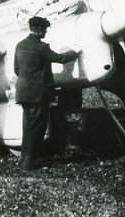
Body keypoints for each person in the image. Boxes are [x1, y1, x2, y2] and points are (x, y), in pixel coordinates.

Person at [13, 16, 80, 170]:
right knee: (37, 129)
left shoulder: (19, 45)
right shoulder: (41, 47)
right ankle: (29, 163)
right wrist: (74, 52)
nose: (46, 32)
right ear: (38, 29)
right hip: (38, 94)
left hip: (23, 92)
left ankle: (25, 160)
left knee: (27, 127)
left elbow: (16, 70)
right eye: (45, 29)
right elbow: (62, 58)